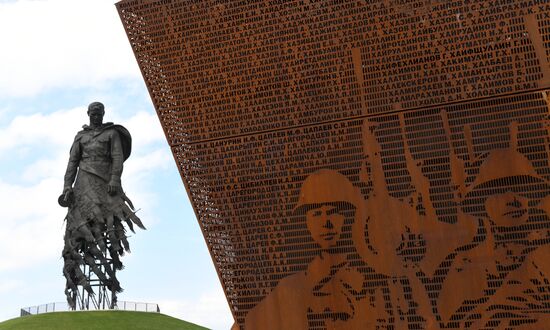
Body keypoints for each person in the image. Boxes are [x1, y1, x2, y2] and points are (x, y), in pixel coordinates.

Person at [245, 169, 393, 329]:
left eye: (333, 212)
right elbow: (251, 322)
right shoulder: (290, 286)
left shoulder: (377, 278)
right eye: (316, 214)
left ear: (350, 217)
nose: (325, 223)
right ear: (306, 222)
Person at [60, 101, 145, 309]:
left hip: (106, 182)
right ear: (88, 114)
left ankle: (111, 285)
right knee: (80, 227)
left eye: (99, 113)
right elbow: (72, 162)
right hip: (83, 183)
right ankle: (79, 282)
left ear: (103, 114)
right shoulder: (80, 137)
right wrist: (66, 186)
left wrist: (115, 179)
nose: (96, 116)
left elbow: (117, 157)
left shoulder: (111, 134)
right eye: (93, 113)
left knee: (108, 227)